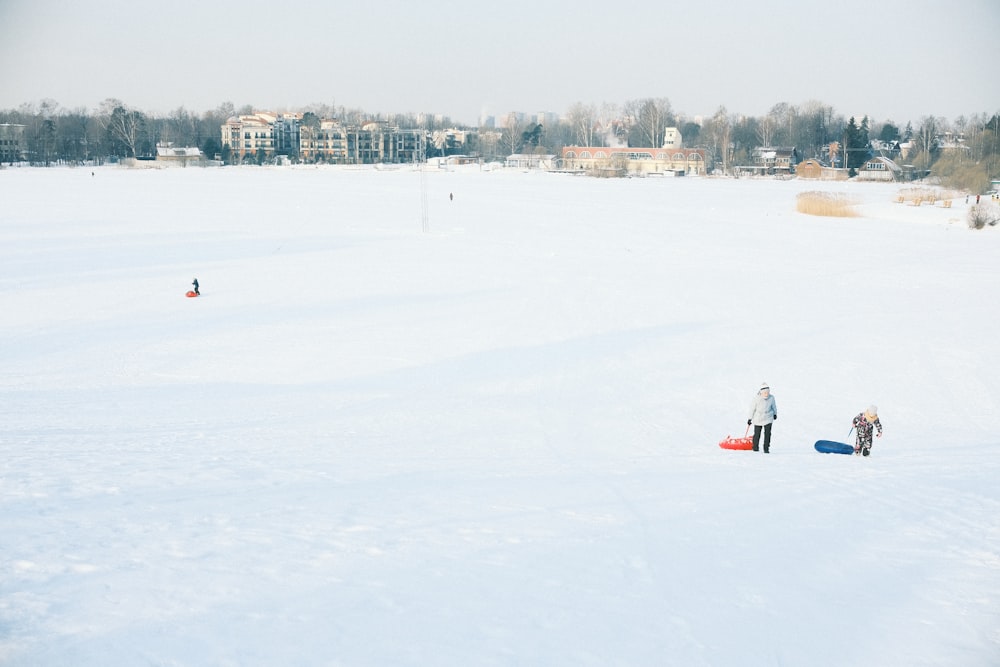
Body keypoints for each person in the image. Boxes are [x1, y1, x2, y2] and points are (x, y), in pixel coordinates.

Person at [747, 382, 777, 453]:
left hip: (768, 417)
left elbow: (774, 406)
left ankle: (766, 448)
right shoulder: (756, 398)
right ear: (761, 392)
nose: (766, 394)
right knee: (757, 434)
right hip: (758, 417)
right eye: (765, 392)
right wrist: (750, 418)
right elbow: (752, 409)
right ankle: (755, 447)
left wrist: (775, 414)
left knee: (768, 434)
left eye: (767, 392)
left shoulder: (771, 398)